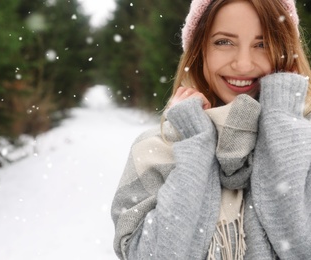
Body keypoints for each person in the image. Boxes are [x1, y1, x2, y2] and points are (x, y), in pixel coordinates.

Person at [111, 0, 311, 259]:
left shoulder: (304, 145)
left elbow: (301, 246)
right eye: (224, 42)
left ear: (285, 52)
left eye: (262, 44)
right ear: (199, 50)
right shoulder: (157, 149)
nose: (243, 64)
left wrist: (282, 124)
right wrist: (196, 145)